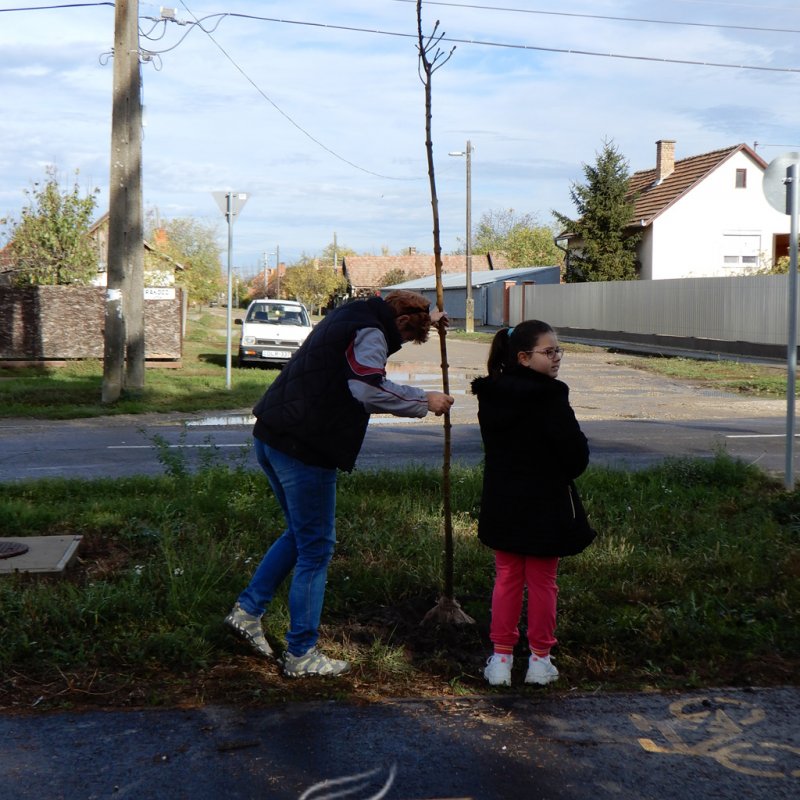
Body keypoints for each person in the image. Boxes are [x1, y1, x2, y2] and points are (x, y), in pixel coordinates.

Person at [225, 290, 454, 678]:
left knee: (300, 535)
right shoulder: (372, 331)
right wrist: (423, 400)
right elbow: (366, 387)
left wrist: (429, 317)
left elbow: (367, 349)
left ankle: (248, 612)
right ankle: (300, 654)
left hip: (274, 433)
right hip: (306, 446)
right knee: (316, 548)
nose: (399, 343)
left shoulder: (355, 313)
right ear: (398, 321)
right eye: (407, 336)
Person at [471, 320, 595, 687]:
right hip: (545, 504)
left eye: (559, 350)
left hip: (503, 502)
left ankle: (501, 661)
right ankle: (540, 661)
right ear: (524, 358)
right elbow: (574, 458)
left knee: (507, 578)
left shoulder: (490, 394)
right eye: (550, 351)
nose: (557, 358)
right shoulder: (550, 396)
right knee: (543, 581)